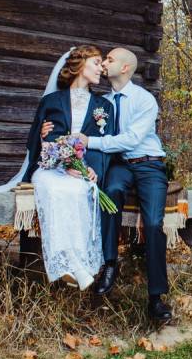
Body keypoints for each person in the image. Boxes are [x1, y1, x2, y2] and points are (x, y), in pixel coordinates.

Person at [41, 47, 172, 321]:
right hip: (119, 166)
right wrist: (49, 132)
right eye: (101, 61)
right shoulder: (103, 103)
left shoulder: (145, 100)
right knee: (111, 192)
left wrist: (90, 141)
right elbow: (76, 127)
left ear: (124, 68)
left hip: (148, 163)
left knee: (153, 222)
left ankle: (156, 298)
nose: (104, 64)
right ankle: (110, 264)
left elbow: (131, 140)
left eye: (109, 60)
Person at [21, 45, 116, 290]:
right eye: (96, 63)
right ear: (80, 65)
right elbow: (34, 142)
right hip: (50, 169)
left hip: (81, 171)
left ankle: (76, 264)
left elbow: (103, 146)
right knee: (54, 190)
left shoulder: (104, 107)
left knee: (77, 191)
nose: (101, 69)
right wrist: (43, 138)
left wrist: (90, 170)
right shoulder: (51, 101)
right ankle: (70, 265)